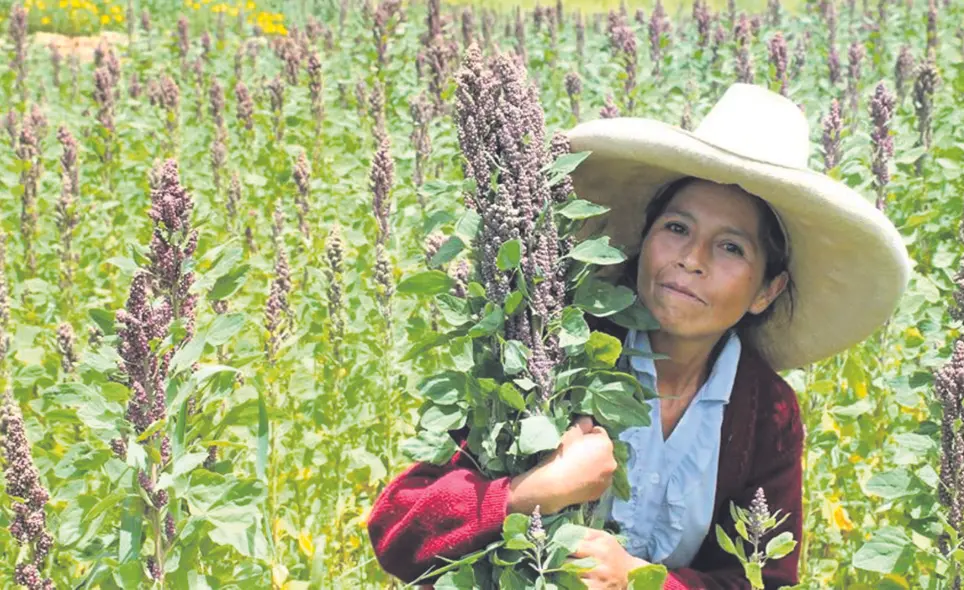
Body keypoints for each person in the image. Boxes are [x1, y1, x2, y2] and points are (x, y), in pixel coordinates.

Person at [366, 84, 910, 589]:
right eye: (676, 228)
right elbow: (396, 530)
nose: (691, 260)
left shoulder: (766, 410)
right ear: (642, 242)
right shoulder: (551, 355)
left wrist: (640, 579)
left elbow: (760, 580)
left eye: (731, 248)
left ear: (767, 290)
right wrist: (529, 494)